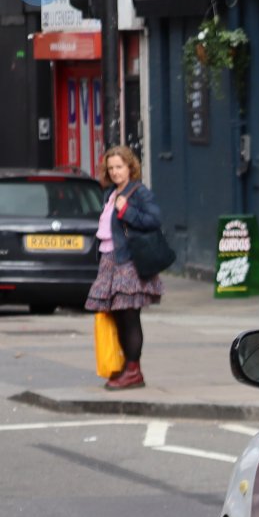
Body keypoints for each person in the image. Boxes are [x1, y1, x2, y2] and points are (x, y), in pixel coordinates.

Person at [85, 146, 163, 391]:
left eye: (119, 167)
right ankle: (126, 365)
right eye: (111, 168)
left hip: (128, 262)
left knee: (130, 316)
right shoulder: (110, 192)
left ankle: (133, 370)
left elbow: (154, 219)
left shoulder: (138, 193)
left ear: (130, 167)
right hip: (109, 260)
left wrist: (126, 210)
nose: (115, 172)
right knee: (117, 316)